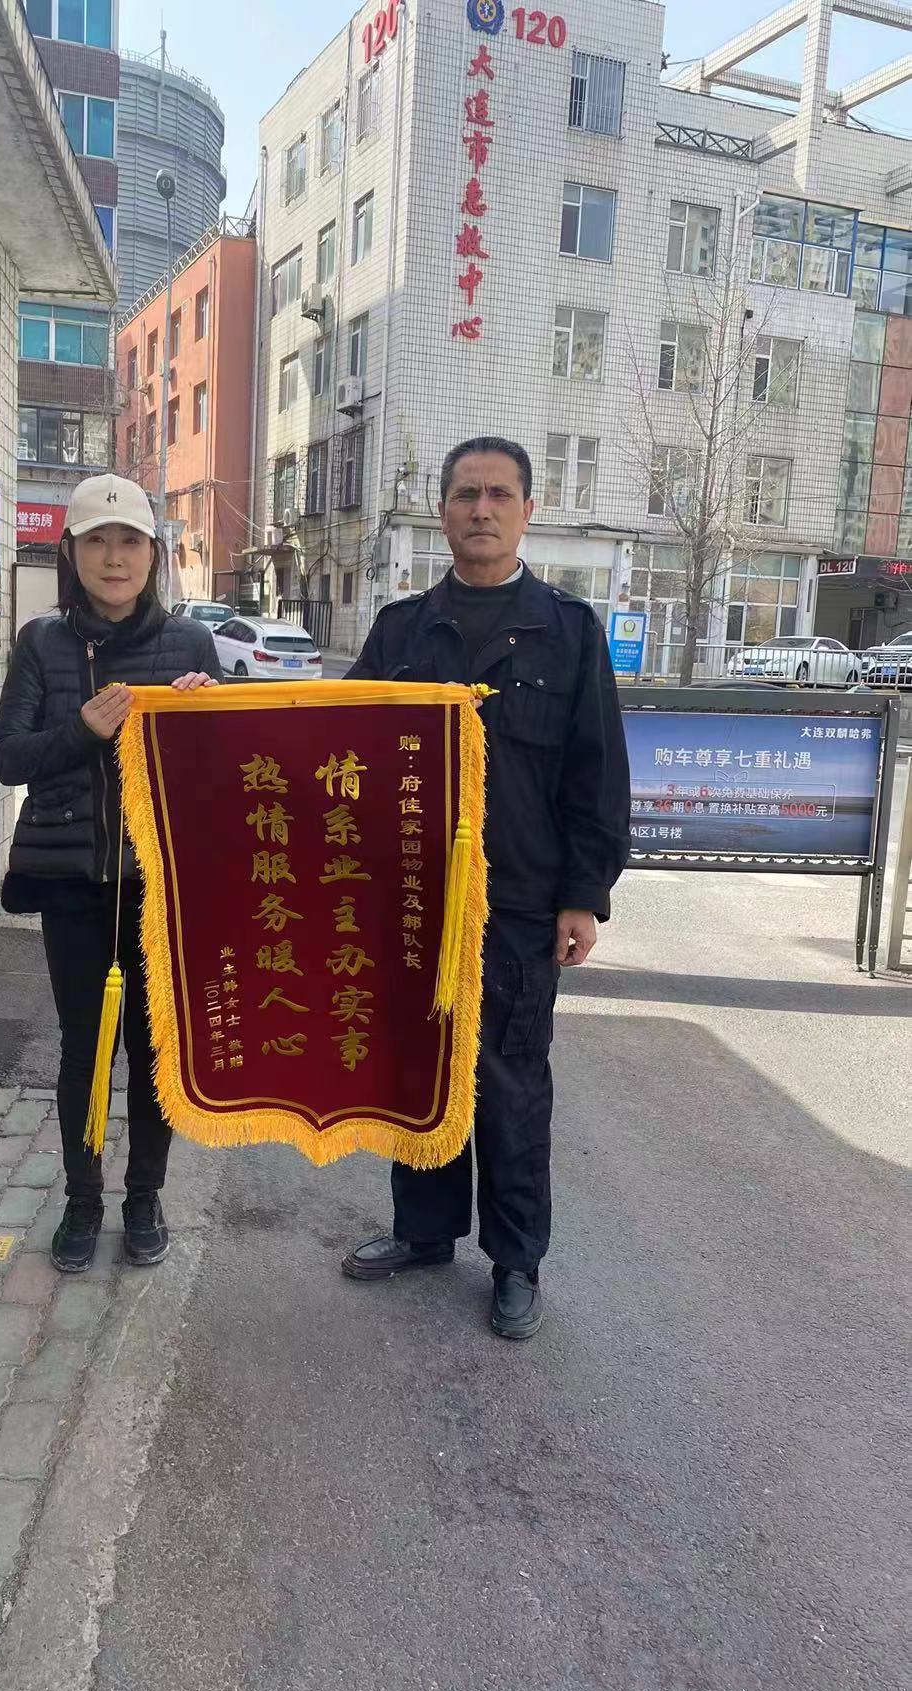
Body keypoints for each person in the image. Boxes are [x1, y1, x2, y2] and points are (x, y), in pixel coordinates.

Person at [341, 436, 630, 1340]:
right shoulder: (401, 631)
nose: (481, 509)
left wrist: (583, 895)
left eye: (499, 494)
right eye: (466, 493)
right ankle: (425, 1232)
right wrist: (208, 714)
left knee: (510, 1086)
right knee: (417, 1071)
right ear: (442, 511)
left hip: (518, 906)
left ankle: (515, 1260)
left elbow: (596, 775)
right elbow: (334, 746)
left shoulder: (568, 632)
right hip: (412, 902)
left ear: (528, 511)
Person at [0, 473, 219, 1275]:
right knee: (84, 1049)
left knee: (155, 1053)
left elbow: (228, 774)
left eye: (129, 542)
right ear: (71, 552)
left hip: (160, 889)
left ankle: (144, 1198)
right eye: (97, 542)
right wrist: (82, 729)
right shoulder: (41, 643)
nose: (114, 558)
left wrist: (205, 717)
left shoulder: (191, 647)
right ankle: (82, 1202)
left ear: (153, 555)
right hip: (73, 887)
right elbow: (7, 758)